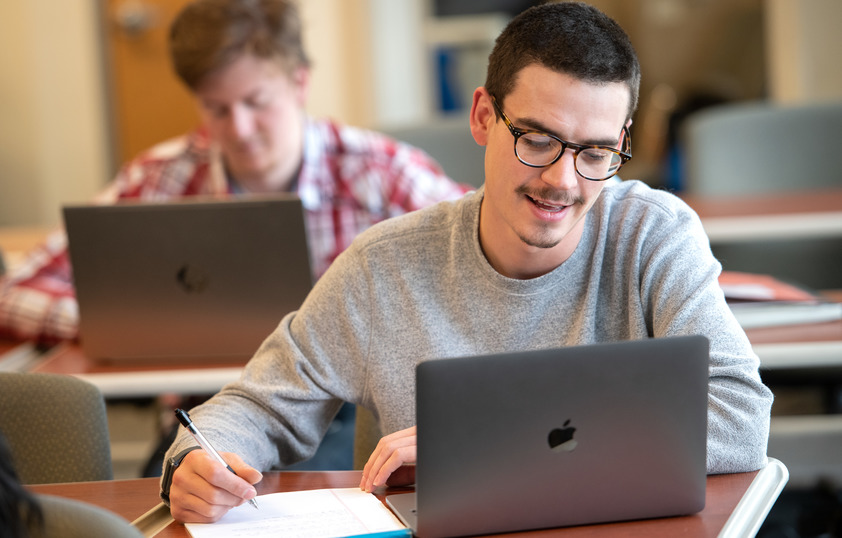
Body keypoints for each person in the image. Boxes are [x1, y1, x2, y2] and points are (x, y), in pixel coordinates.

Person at [162, 2, 773, 523]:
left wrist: (478, 447)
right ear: (484, 116)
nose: (563, 179)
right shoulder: (385, 267)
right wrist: (197, 461)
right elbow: (256, 406)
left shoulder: (654, 236)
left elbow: (740, 420)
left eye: (595, 151)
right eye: (536, 139)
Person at [0, 0, 469, 345]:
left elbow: (488, 249)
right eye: (216, 108)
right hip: (207, 416)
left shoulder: (380, 172)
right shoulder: (161, 179)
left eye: (256, 102)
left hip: (346, 411)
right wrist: (124, 326)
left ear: (299, 82)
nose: (239, 129)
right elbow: (16, 291)